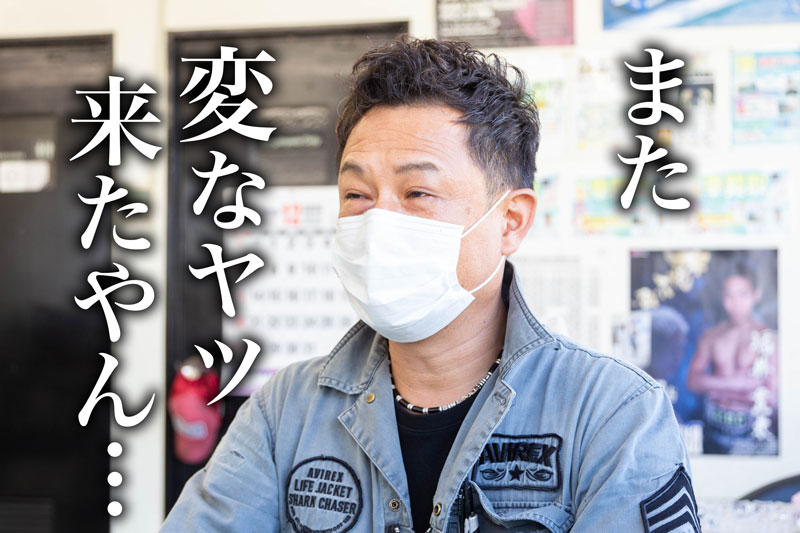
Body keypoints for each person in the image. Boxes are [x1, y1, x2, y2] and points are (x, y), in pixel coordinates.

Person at [162, 35, 697, 533]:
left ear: (510, 221)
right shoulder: (286, 411)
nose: (378, 222)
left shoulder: (611, 414)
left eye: (418, 193)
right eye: (356, 195)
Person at [687, 265, 778, 454]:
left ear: (756, 295)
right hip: (714, 426)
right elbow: (693, 381)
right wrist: (741, 384)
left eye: (742, 294)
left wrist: (714, 385)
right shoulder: (711, 336)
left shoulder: (768, 338)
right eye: (729, 295)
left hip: (752, 432)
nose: (736, 303)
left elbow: (772, 395)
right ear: (722, 298)